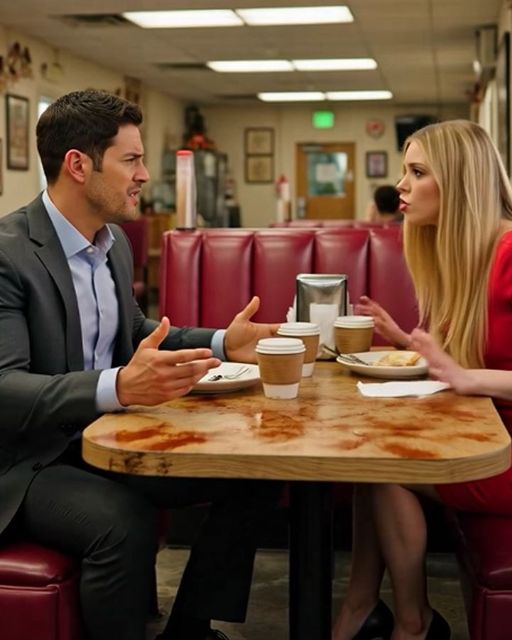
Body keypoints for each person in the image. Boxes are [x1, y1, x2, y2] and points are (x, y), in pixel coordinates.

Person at [0, 89, 281, 640]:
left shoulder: (112, 244)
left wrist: (224, 342)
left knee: (250, 473)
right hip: (25, 464)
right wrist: (120, 387)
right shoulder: (8, 254)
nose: (144, 175)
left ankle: (190, 630)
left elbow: (131, 333)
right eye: (131, 159)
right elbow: (5, 387)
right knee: (122, 521)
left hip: (101, 441)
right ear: (78, 165)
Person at [333, 119, 512, 640]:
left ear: (458, 181)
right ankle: (367, 610)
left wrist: (466, 377)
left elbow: (471, 371)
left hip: (502, 453)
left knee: (383, 466)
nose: (401, 186)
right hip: (487, 436)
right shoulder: (470, 253)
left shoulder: (508, 254)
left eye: (417, 172)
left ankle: (408, 622)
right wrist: (408, 343)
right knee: (372, 459)